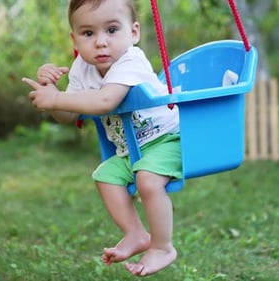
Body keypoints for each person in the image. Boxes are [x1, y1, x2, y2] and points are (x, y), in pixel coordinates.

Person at [22, 0, 181, 276]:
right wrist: (52, 94)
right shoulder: (82, 68)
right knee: (104, 176)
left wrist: (59, 97)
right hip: (130, 150)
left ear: (133, 33)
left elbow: (106, 100)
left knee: (147, 179)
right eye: (88, 34)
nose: (100, 43)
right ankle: (134, 233)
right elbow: (69, 116)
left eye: (111, 30)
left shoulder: (131, 61)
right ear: (74, 38)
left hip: (167, 139)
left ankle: (162, 246)